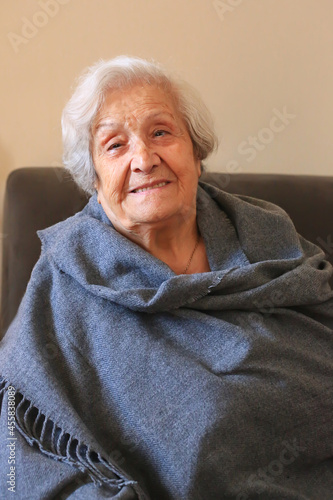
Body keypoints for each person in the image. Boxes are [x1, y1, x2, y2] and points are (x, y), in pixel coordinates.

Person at [0, 56, 332, 500]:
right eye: (115, 146)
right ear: (95, 179)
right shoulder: (69, 274)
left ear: (196, 152)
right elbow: (20, 433)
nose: (144, 158)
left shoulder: (269, 236)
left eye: (160, 132)